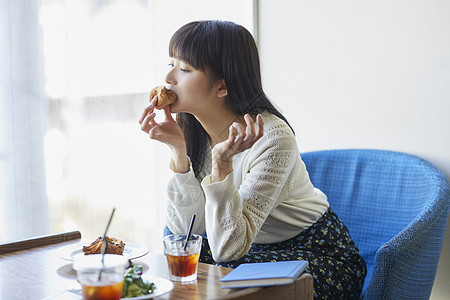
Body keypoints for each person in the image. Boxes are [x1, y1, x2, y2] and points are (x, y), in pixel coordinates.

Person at [139, 20, 366, 298]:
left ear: (222, 87)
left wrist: (222, 168)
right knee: (182, 262)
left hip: (312, 254)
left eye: (185, 69)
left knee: (213, 275)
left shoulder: (273, 139)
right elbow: (189, 231)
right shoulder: (192, 129)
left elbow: (227, 250)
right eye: (170, 64)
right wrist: (178, 152)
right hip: (245, 250)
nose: (169, 79)